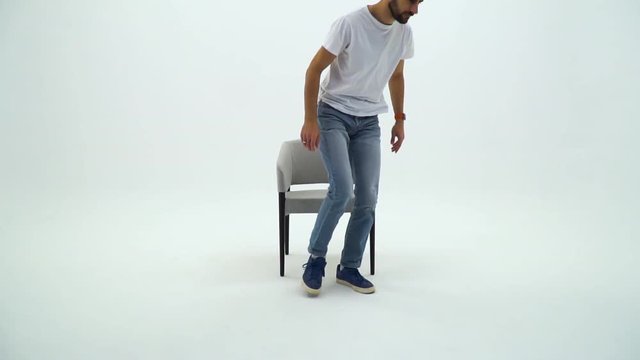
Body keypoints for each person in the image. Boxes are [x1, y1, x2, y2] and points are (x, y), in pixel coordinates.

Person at [299, 0, 421, 296]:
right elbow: (314, 70)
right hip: (333, 113)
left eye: (420, 2)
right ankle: (315, 259)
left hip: (368, 121)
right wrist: (310, 119)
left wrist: (400, 119)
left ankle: (349, 267)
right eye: (412, 1)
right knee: (342, 190)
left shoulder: (403, 32)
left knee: (368, 195)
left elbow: (396, 75)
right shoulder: (350, 24)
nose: (415, 10)